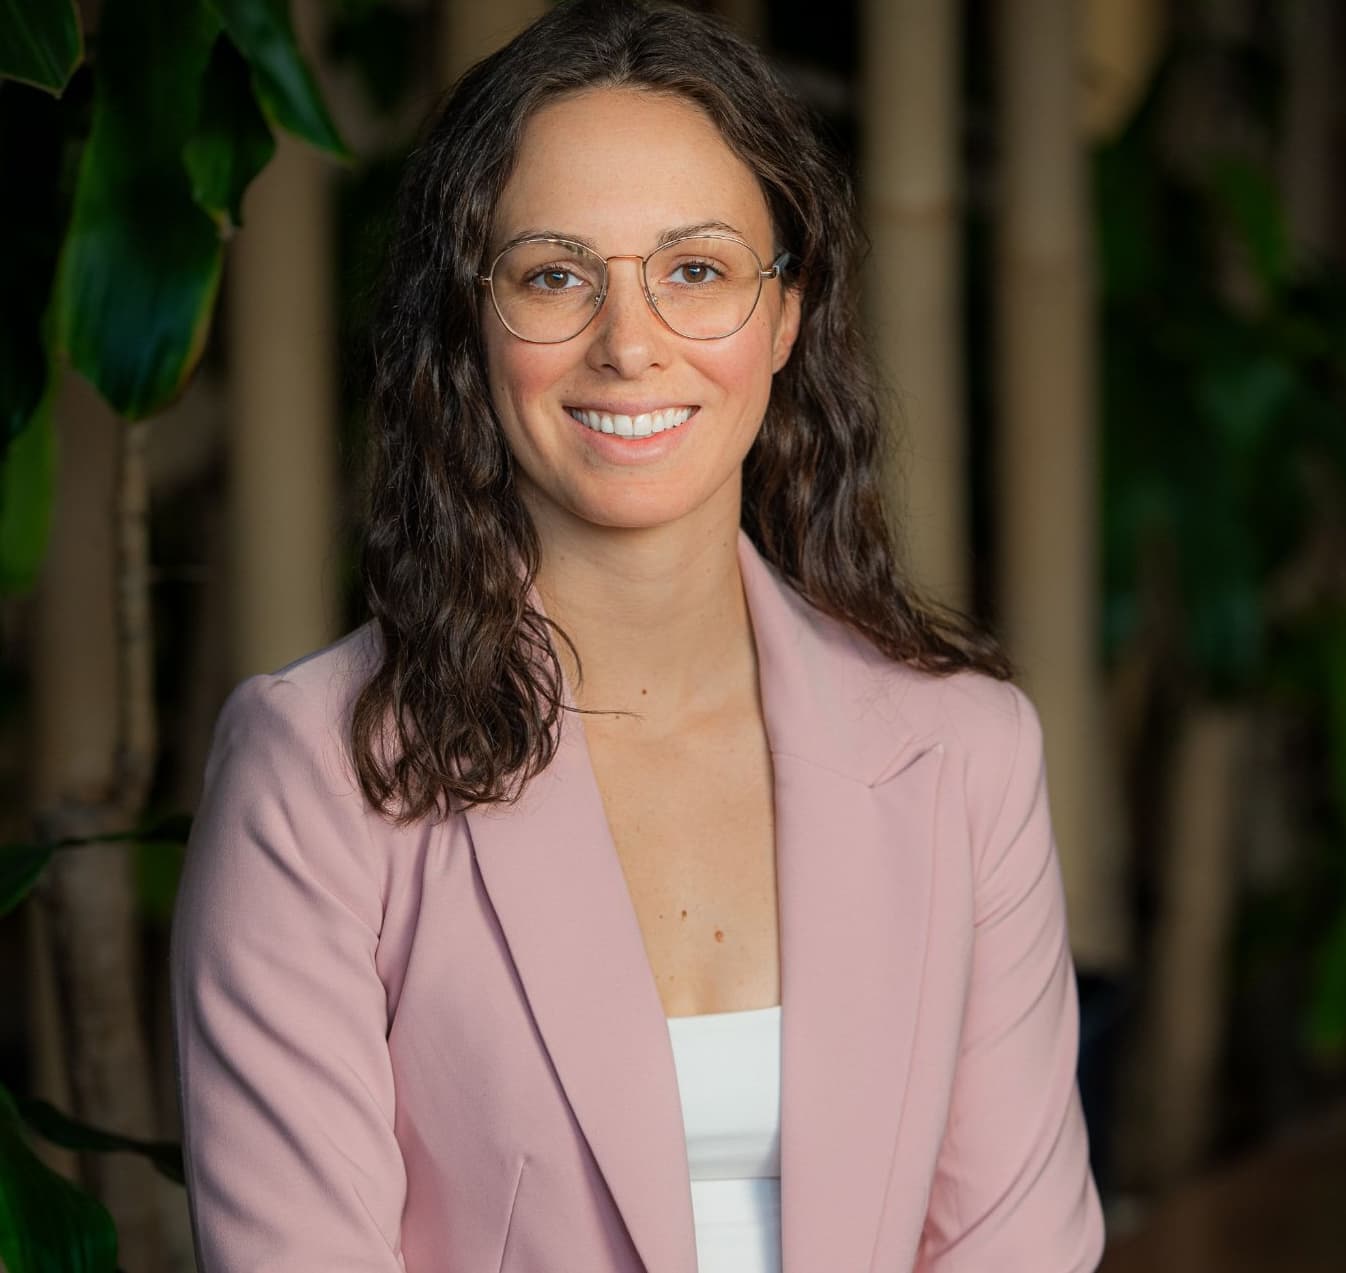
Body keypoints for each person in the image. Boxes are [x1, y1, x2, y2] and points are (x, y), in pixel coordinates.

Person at [170, 1, 1105, 1270]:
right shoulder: (317, 775)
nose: (628, 343)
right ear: (471, 323)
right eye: (553, 274)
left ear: (783, 319)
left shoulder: (963, 755)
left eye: (697, 271)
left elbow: (1016, 1247)